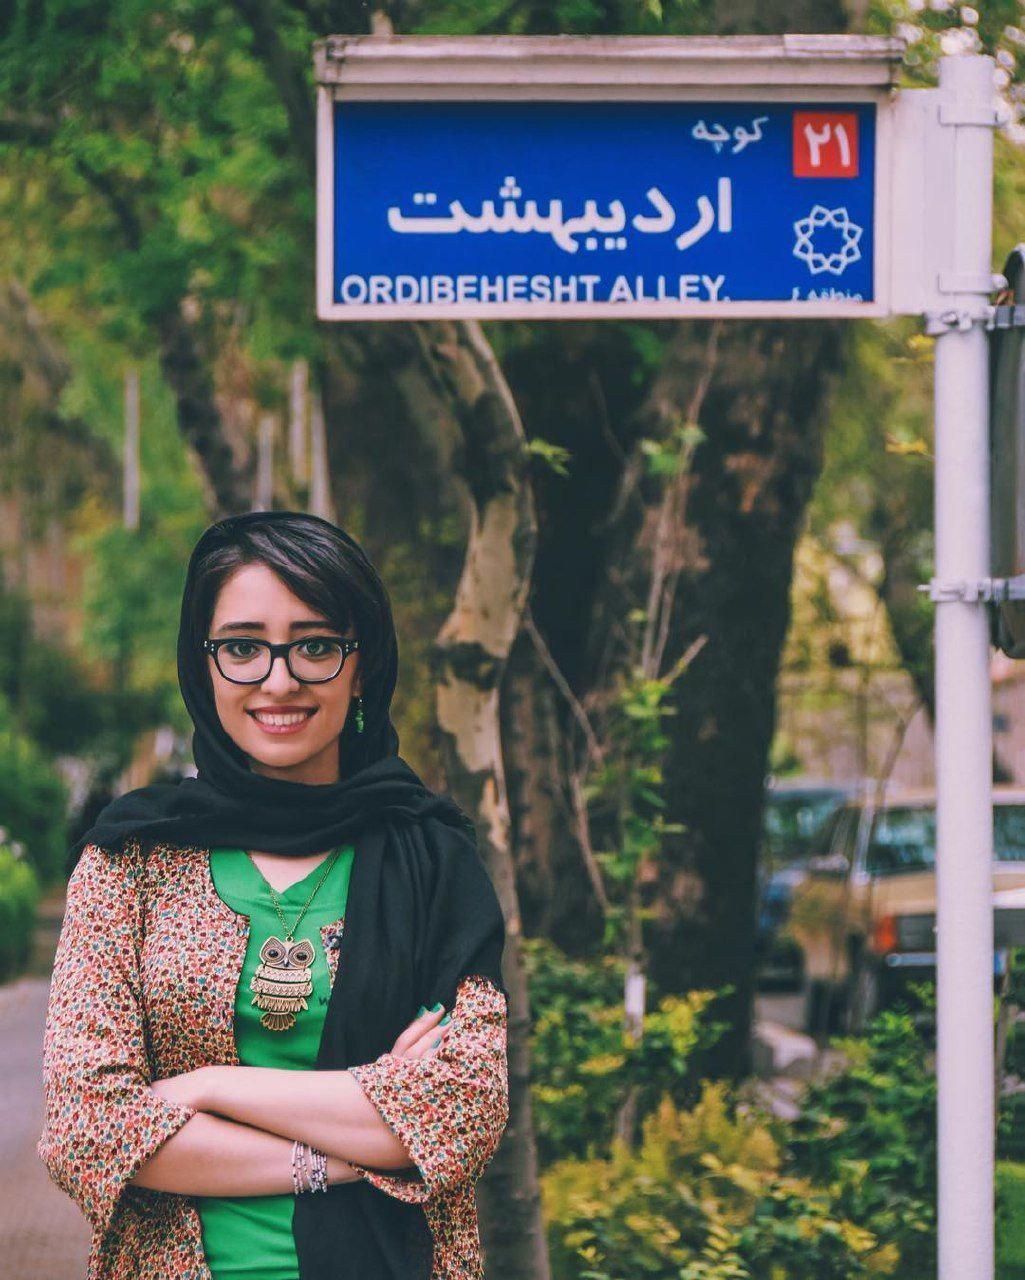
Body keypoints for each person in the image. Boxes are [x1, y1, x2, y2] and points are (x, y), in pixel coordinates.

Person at [37, 510, 509, 1280]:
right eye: (243, 647)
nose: (279, 680)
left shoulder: (432, 861)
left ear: (361, 665)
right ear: (203, 664)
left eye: (315, 646)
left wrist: (208, 1087)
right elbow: (85, 1129)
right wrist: (354, 1150)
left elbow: (462, 1110)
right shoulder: (132, 859)